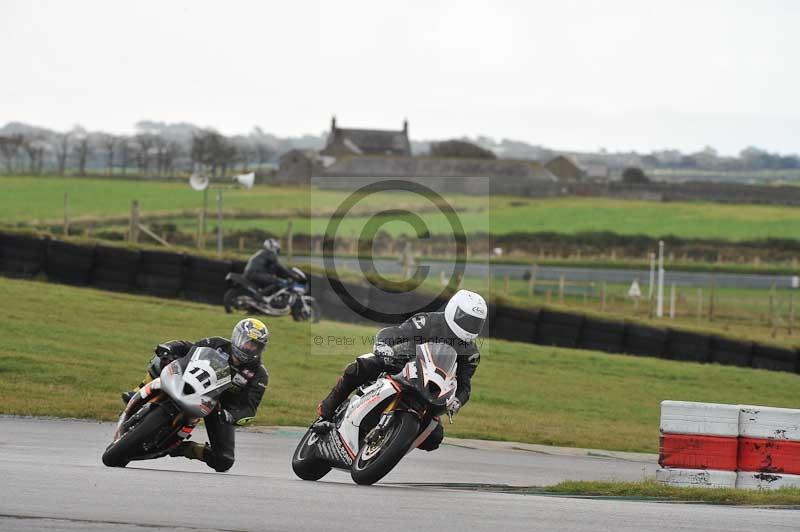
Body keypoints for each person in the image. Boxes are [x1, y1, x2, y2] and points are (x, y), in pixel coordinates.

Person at [316, 289, 486, 452]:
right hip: (400, 365)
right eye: (467, 320)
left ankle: (389, 446)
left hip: (431, 387)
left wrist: (457, 401)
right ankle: (325, 414)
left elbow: (464, 384)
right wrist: (384, 346)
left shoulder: (471, 353)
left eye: (476, 323)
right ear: (454, 310)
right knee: (361, 367)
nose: (470, 326)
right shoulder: (429, 321)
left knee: (434, 438)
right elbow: (395, 333)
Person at [122, 318, 270, 472]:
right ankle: (136, 391)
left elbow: (249, 409)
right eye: (248, 342)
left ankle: (181, 448)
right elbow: (189, 348)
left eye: (255, 346)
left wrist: (230, 416)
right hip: (190, 380)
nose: (250, 348)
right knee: (162, 358)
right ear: (237, 337)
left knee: (224, 460)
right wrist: (170, 348)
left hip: (216, 407)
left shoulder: (259, 374)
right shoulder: (217, 343)